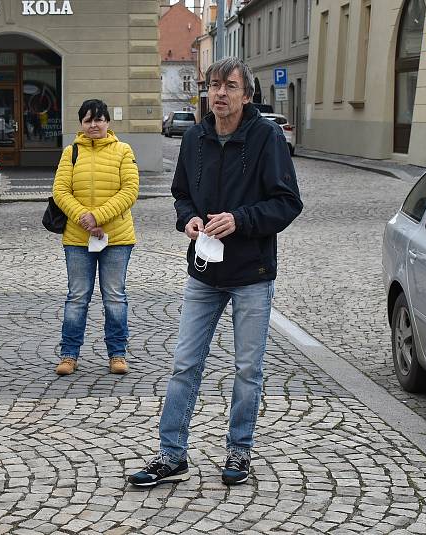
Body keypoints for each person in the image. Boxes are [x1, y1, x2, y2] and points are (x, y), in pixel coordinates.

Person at [128, 57, 302, 487]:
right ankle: (171, 455)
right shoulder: (195, 138)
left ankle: (239, 452)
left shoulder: (266, 137)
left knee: (247, 369)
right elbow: (181, 194)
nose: (220, 93)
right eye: (213, 85)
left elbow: (287, 202)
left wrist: (240, 220)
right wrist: (186, 219)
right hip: (204, 270)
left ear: (246, 94)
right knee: (184, 364)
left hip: (252, 272)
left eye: (229, 85)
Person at [52, 99, 139, 376]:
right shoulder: (71, 152)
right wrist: (84, 219)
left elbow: (130, 191)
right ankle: (69, 355)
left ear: (108, 122)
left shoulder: (123, 151)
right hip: (77, 238)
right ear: (81, 124)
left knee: (115, 297)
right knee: (77, 297)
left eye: (99, 119)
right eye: (88, 120)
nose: (94, 125)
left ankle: (117, 354)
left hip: (117, 236)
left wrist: (98, 217)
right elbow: (61, 191)